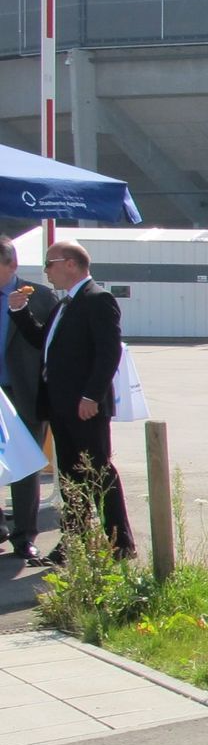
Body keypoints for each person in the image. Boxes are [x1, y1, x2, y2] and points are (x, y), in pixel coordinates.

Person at [7, 240, 134, 560]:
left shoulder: (97, 299)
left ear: (72, 265)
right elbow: (42, 342)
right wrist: (20, 313)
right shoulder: (65, 304)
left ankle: (120, 543)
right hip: (61, 404)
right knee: (70, 476)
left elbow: (109, 352)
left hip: (85, 405)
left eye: (50, 264)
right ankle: (74, 541)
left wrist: (92, 395)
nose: (46, 271)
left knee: (97, 472)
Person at [0, 236, 56, 563]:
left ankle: (25, 536)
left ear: (13, 265)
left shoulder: (39, 297)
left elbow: (53, 346)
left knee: (25, 465)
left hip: (24, 394)